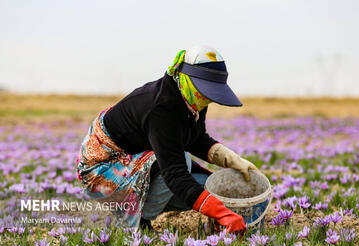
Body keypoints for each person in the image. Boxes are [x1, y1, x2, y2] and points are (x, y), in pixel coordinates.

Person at [76, 45, 259, 233]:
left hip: (135, 161)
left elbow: (195, 139)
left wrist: (233, 160)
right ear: (186, 78)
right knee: (183, 165)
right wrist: (223, 214)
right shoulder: (161, 109)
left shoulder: (192, 97)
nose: (207, 99)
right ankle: (137, 222)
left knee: (208, 186)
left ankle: (139, 208)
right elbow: (174, 173)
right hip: (102, 169)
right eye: (205, 91)